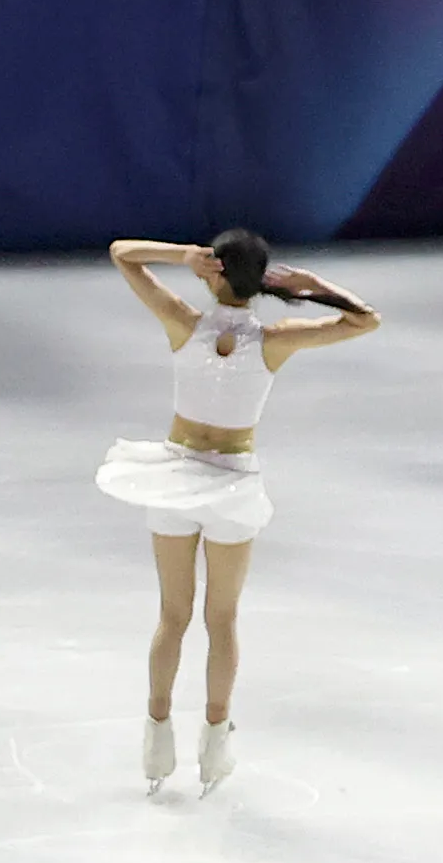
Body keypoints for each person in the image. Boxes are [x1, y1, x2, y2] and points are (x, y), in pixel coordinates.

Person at [93, 232, 381, 787]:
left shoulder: (182, 321)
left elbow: (120, 253)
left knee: (172, 616)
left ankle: (157, 739)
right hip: (231, 486)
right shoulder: (275, 340)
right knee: (220, 620)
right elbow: (364, 320)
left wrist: (181, 256)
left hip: (175, 478)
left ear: (211, 270)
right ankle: (214, 744)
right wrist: (312, 287)